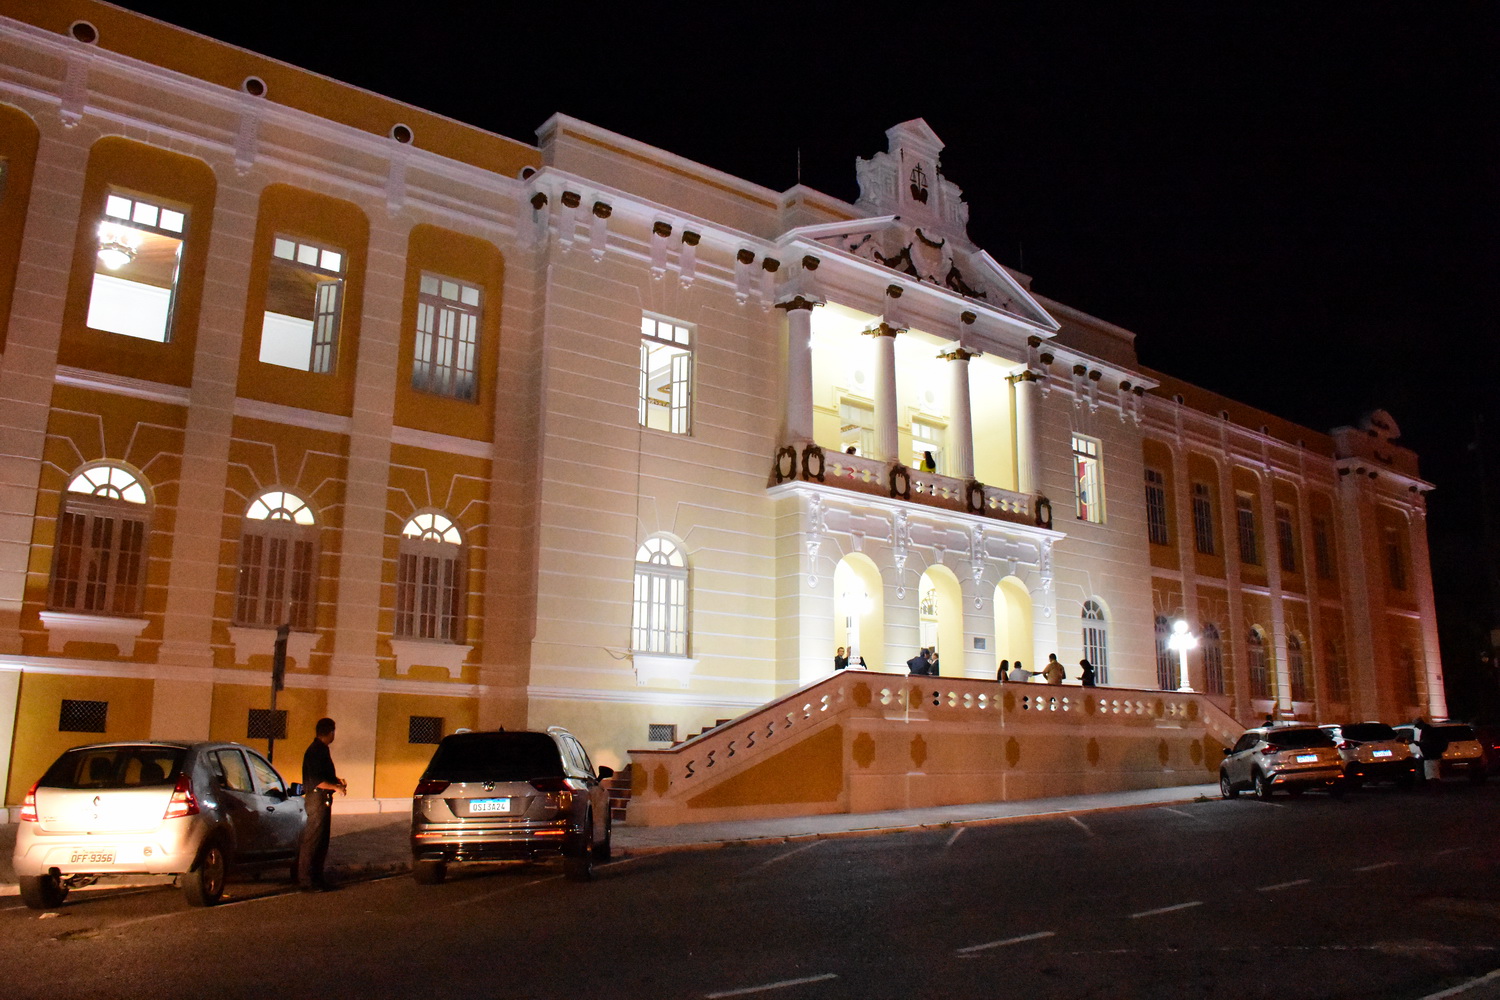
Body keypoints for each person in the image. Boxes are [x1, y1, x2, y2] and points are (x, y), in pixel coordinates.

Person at [298, 717, 347, 892]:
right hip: (317, 799)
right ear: (330, 732)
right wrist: (335, 786)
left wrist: (336, 781)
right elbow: (316, 781)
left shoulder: (321, 750)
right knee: (313, 840)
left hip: (323, 799)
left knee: (322, 841)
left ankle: (318, 878)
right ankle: (306, 880)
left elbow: (324, 775)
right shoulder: (315, 751)